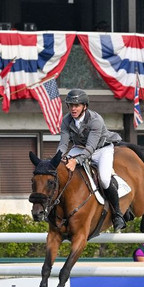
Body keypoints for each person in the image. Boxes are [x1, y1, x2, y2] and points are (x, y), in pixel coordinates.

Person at [56, 88, 126, 230]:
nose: (73, 109)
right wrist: (56, 160)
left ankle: (118, 214)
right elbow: (63, 144)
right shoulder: (66, 120)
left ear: (84, 106)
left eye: (76, 105)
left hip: (101, 150)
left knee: (105, 180)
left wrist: (75, 161)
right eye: (70, 105)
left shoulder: (95, 120)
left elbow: (91, 147)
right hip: (80, 148)